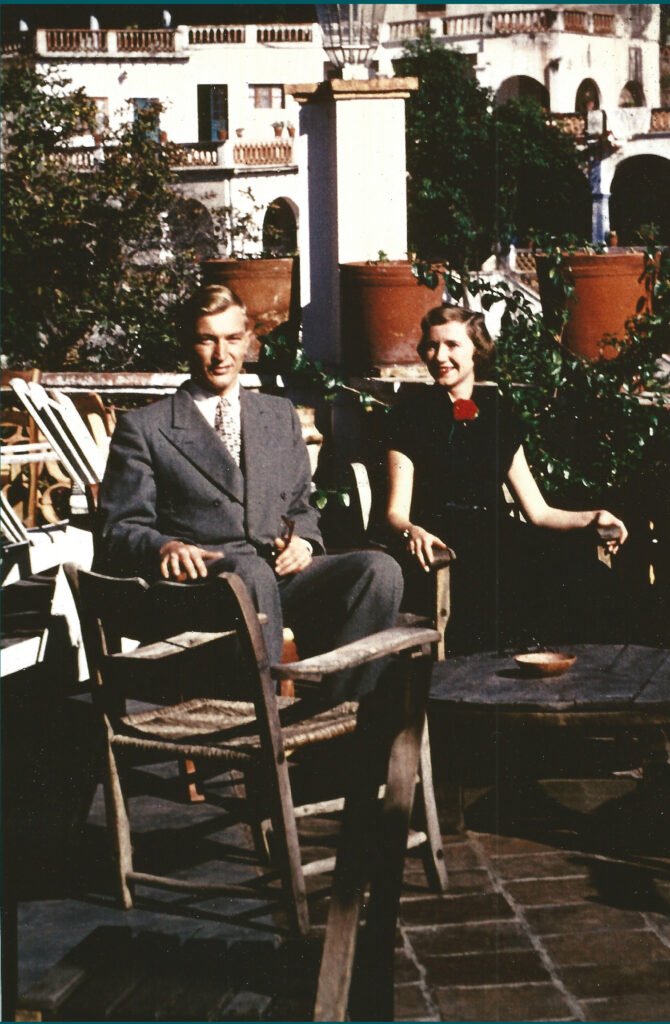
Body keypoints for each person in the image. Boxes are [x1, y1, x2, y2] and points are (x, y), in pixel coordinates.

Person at [96, 283, 403, 700]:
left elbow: (301, 506)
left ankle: (342, 715)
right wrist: (165, 546)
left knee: (378, 571)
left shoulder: (278, 415)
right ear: (187, 343)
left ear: (248, 341)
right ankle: (263, 725)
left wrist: (305, 543)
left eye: (232, 338)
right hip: (202, 587)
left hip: (276, 578)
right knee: (250, 574)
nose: (221, 354)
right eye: (207, 340)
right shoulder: (147, 428)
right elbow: (119, 528)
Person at [384, 304, 628, 653]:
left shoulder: (498, 416)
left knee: (587, 575)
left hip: (495, 537)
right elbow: (396, 513)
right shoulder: (409, 416)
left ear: (477, 351)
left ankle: (592, 676)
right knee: (520, 586)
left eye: (452, 345)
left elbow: (538, 511)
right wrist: (414, 531)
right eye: (432, 346)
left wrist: (593, 516)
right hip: (445, 546)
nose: (440, 356)